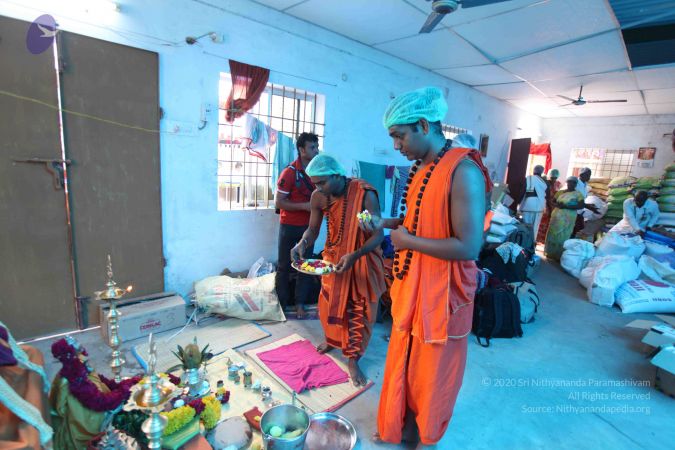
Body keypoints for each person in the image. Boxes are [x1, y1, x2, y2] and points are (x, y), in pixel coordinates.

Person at [371, 87, 491, 449]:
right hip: (413, 286)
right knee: (407, 362)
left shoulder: (463, 171)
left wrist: (408, 242)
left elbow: (469, 246)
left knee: (434, 375)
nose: (396, 146)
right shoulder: (421, 168)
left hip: (444, 296)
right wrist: (388, 223)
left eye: (400, 136)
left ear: (424, 125)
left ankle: (428, 438)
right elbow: (419, 221)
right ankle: (402, 425)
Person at [290, 154, 386, 386]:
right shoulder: (318, 197)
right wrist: (302, 243)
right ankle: (332, 341)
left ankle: (353, 359)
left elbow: (378, 234)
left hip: (361, 259)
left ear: (337, 175)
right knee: (329, 303)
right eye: (315, 183)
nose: (318, 188)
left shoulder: (364, 194)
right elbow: (313, 230)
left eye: (322, 182)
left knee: (358, 311)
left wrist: (355, 255)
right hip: (332, 260)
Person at [274, 132, 319, 319]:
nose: (316, 151)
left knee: (305, 266)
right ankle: (282, 304)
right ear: (302, 150)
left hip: (309, 228)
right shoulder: (290, 172)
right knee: (284, 266)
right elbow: (279, 202)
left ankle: (300, 304)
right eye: (312, 147)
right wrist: (305, 206)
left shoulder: (318, 172)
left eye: (317, 147)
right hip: (289, 226)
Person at [544, 176, 586, 261]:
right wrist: (557, 205)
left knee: (564, 235)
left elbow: (581, 205)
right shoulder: (560, 192)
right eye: (569, 182)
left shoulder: (578, 194)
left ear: (576, 184)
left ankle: (559, 255)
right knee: (552, 234)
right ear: (567, 183)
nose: (571, 184)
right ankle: (550, 253)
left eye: (573, 183)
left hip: (568, 217)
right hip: (556, 216)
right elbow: (552, 201)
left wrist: (567, 206)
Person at [518, 165, 548, 238]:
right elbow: (547, 196)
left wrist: (518, 203)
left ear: (534, 171)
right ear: (542, 172)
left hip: (528, 205)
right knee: (535, 226)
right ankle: (532, 241)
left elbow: (522, 192)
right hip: (540, 206)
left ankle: (525, 240)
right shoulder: (545, 182)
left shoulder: (529, 179)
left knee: (526, 225)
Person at [572, 167, 599, 236]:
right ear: (581, 175)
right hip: (573, 211)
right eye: (587, 175)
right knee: (574, 229)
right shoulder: (576, 184)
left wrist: (588, 205)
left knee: (579, 229)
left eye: (590, 175)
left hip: (579, 211)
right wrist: (588, 206)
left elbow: (582, 199)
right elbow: (574, 200)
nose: (589, 177)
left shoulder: (585, 185)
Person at [537, 168, 561, 243]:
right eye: (552, 177)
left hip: (552, 206)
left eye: (555, 178)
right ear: (549, 176)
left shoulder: (557, 184)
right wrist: (550, 209)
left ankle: (544, 241)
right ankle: (538, 240)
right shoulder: (546, 183)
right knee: (542, 224)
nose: (554, 179)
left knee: (549, 224)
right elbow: (547, 198)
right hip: (546, 206)